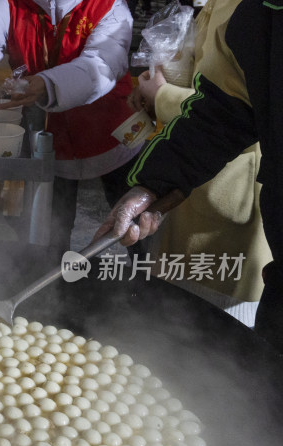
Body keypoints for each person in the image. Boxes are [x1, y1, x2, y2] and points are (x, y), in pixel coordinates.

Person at [95, 0, 283, 353]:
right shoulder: (259, 14)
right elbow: (225, 111)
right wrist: (153, 185)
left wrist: (163, 96)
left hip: (233, 216)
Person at [0, 0, 142, 254]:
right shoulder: (12, 5)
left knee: (135, 232)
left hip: (116, 138)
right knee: (51, 241)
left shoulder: (109, 7)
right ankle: (53, 291)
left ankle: (147, 289)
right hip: (52, 146)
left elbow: (102, 65)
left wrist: (47, 84)